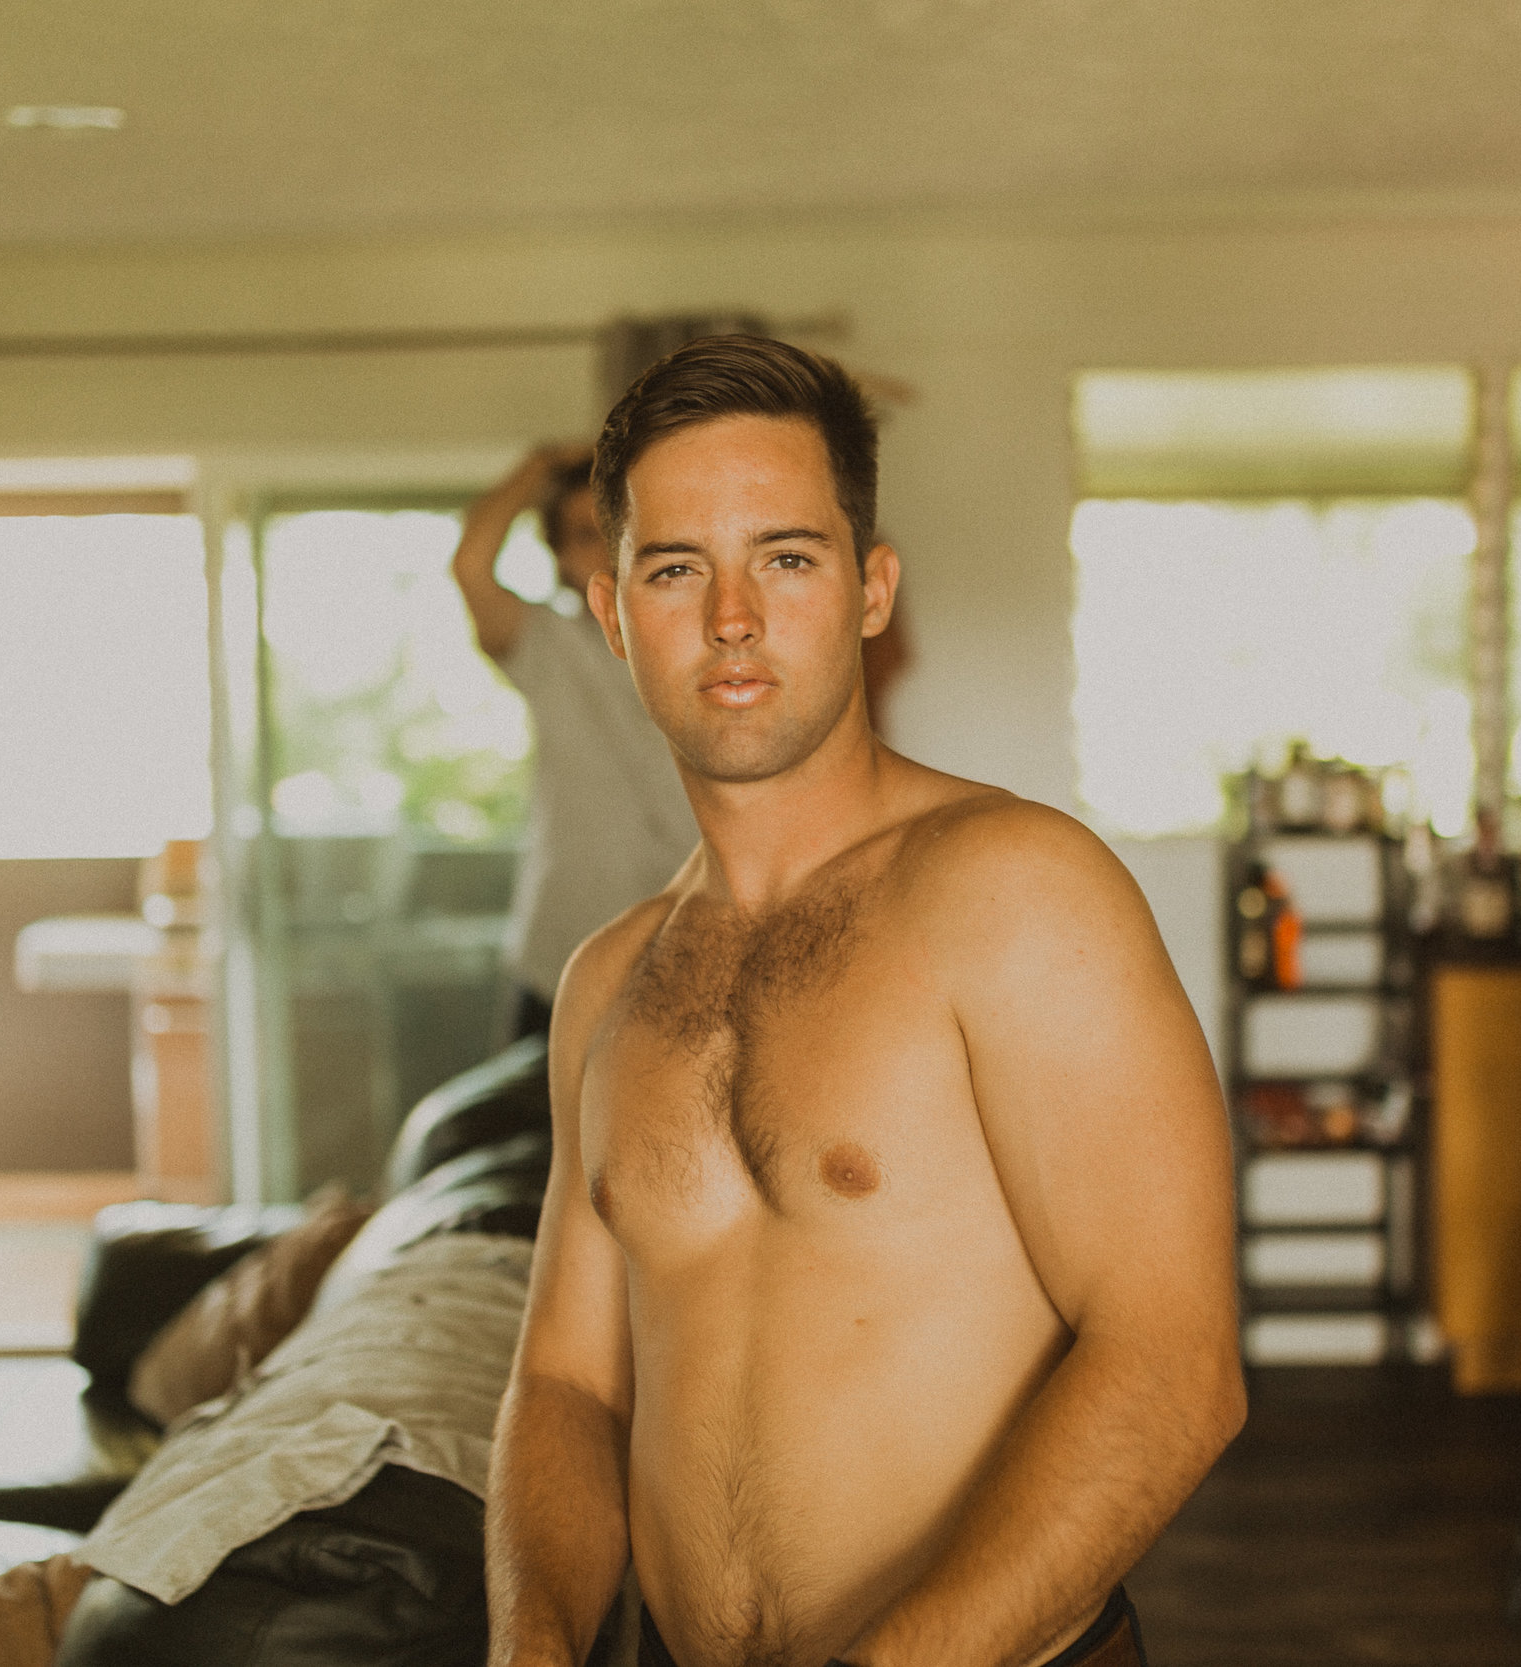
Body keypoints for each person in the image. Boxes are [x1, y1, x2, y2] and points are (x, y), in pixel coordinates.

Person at [483, 337, 1246, 1667]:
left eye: (785, 556)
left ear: (871, 588)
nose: (732, 616)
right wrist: (532, 1645)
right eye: (676, 568)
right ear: (612, 613)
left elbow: (1173, 1364)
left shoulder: (1015, 889)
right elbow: (567, 1379)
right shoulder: (606, 981)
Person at [452, 445, 702, 1040]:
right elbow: (470, 566)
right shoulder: (545, 643)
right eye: (589, 535)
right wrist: (543, 462)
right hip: (562, 955)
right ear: (561, 557)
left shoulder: (714, 639)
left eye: (622, 531)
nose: (611, 551)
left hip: (693, 954)